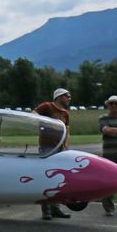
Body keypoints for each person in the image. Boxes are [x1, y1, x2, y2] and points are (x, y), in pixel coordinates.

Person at [33, 88, 73, 220]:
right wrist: (47, 123)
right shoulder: (47, 106)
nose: (69, 98)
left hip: (60, 149)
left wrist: (66, 146)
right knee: (46, 178)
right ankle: (46, 210)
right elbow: (34, 114)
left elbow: (67, 130)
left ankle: (56, 208)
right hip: (47, 148)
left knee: (57, 179)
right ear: (59, 96)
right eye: (67, 96)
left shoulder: (65, 113)